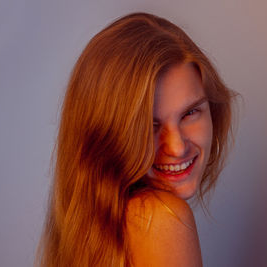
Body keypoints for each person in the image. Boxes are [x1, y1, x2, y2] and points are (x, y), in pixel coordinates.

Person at [36, 12, 234, 266]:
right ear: (106, 138)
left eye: (190, 113)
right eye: (149, 126)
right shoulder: (160, 218)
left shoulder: (91, 233)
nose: (176, 146)